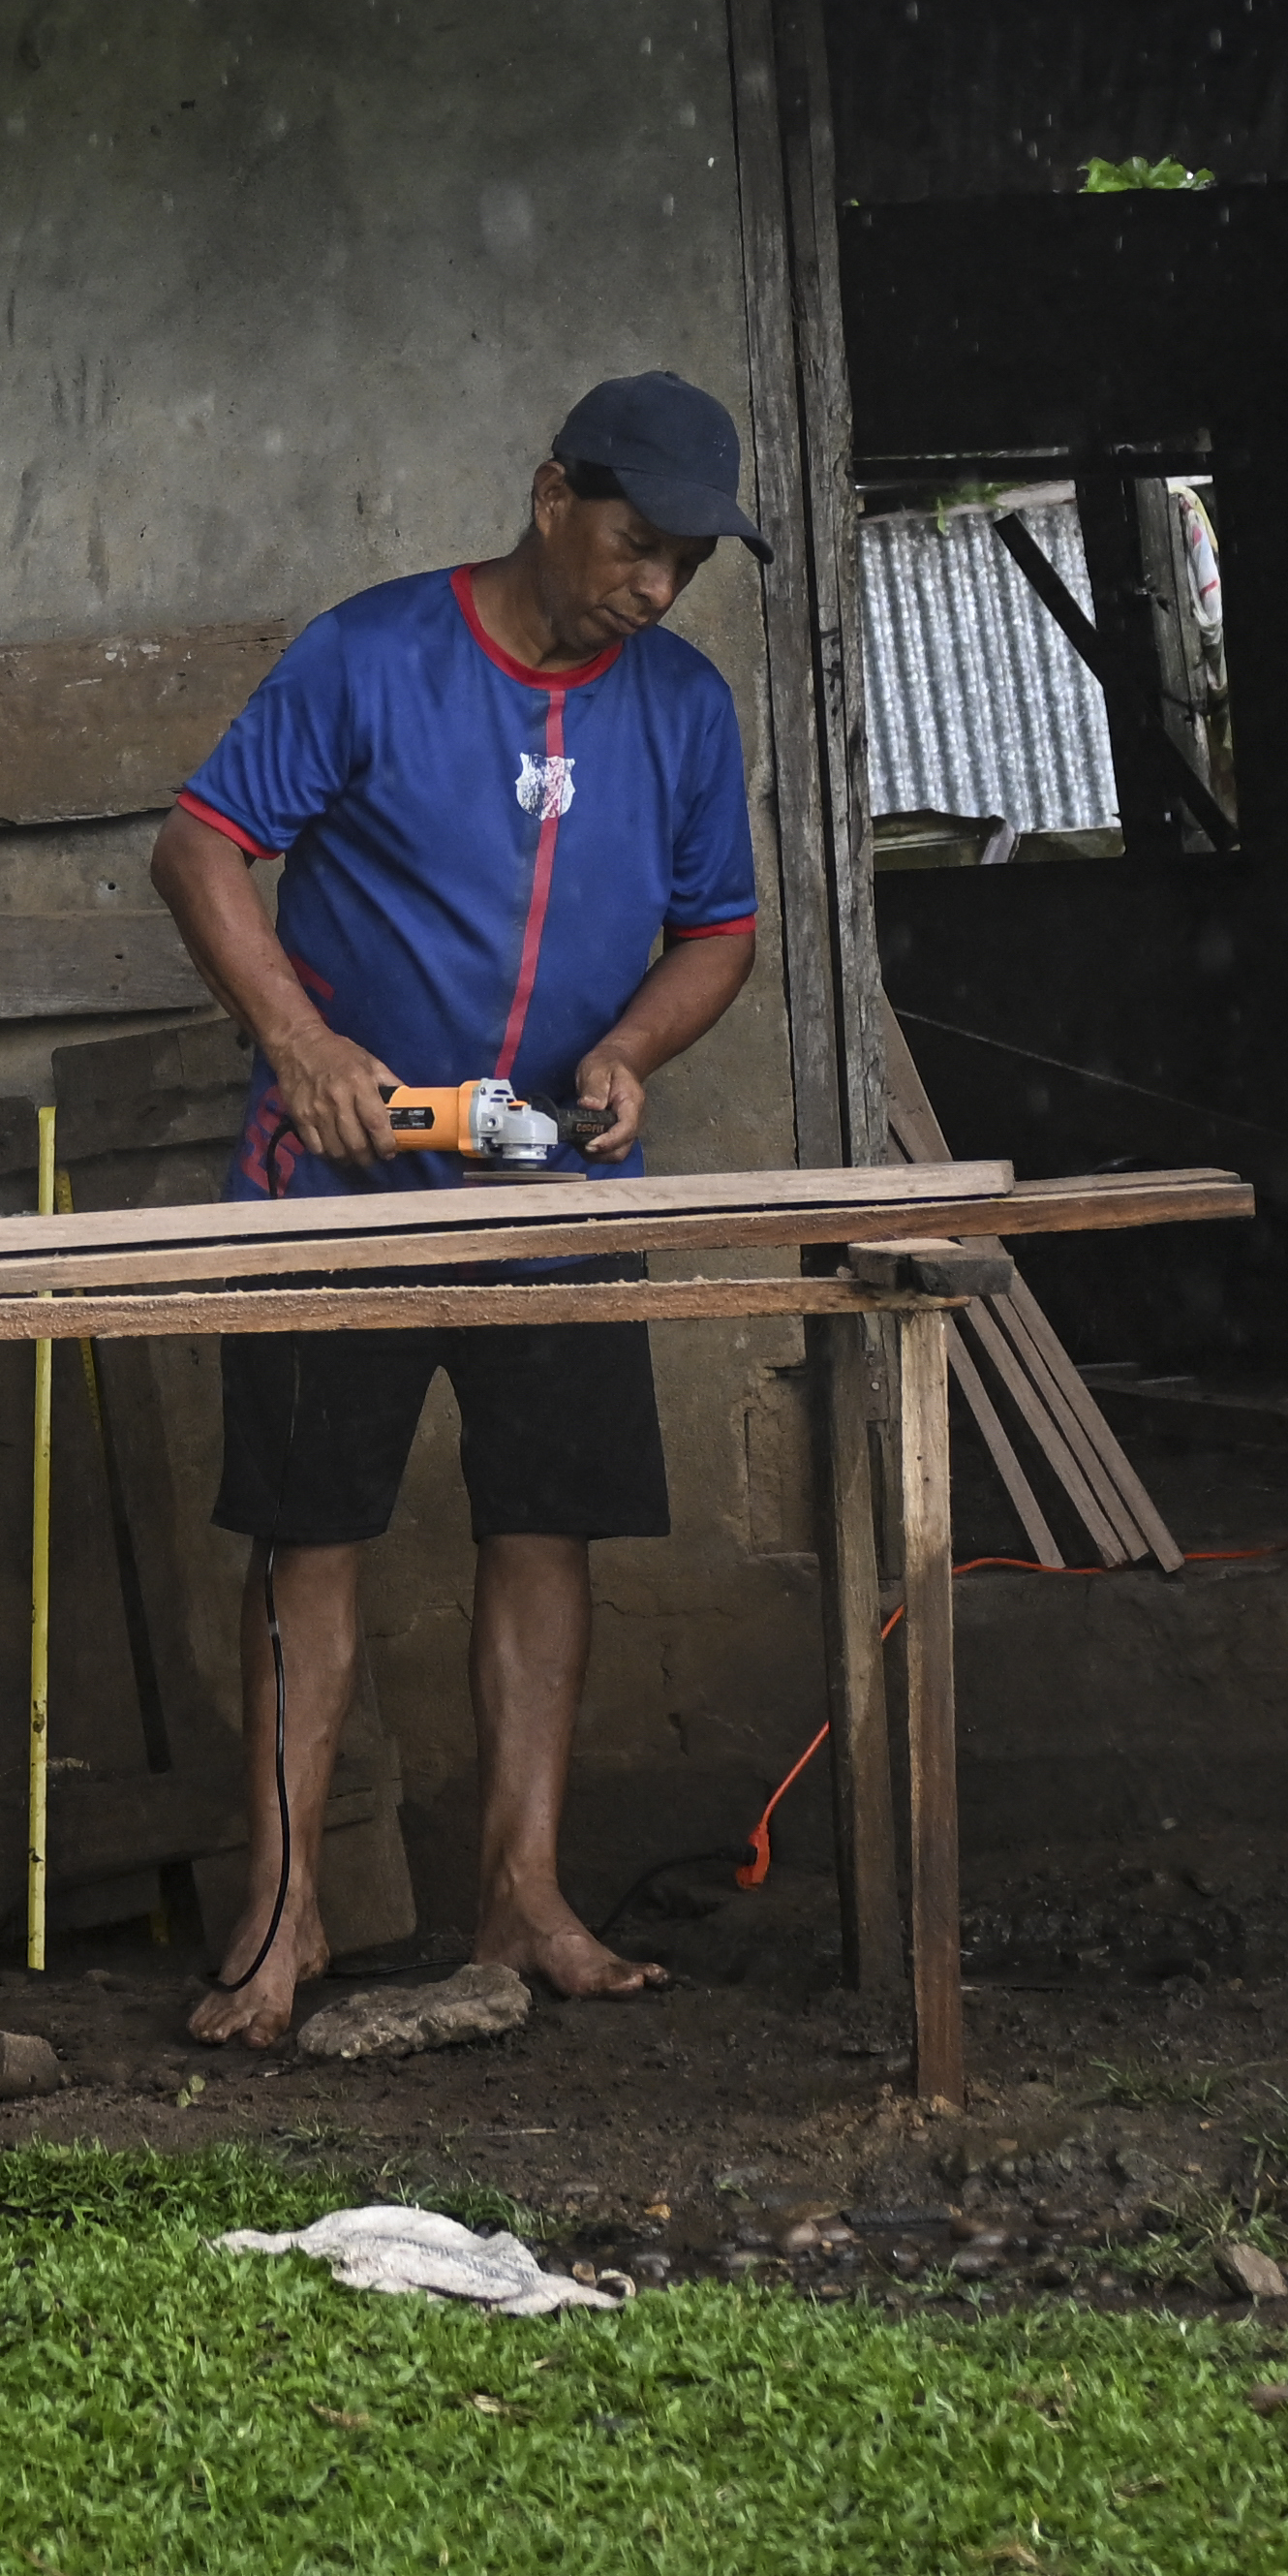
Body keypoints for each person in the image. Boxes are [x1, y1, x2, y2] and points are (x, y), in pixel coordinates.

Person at [147, 370, 769, 2046]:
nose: (652, 589)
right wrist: (301, 1042)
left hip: (556, 1196)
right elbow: (202, 849)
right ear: (552, 492)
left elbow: (720, 929)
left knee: (543, 1528)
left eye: (684, 567)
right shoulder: (372, 655)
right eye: (634, 544)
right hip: (332, 1200)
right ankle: (284, 1928)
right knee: (310, 1542)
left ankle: (523, 1895)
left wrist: (635, 1047)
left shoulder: (683, 710)